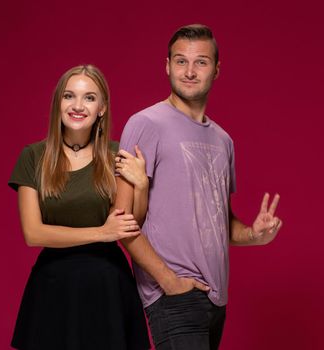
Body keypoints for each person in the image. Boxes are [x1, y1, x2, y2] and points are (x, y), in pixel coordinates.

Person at [115, 24, 283, 350]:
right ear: (167, 65)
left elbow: (219, 222)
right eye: (180, 61)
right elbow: (121, 220)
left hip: (216, 299)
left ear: (216, 70)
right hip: (174, 294)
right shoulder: (145, 124)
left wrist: (254, 234)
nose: (189, 71)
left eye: (201, 62)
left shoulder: (223, 140)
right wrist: (168, 281)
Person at [8, 65, 150, 350]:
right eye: (69, 96)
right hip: (54, 285)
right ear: (58, 103)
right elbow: (33, 233)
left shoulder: (116, 155)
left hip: (108, 285)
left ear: (102, 108)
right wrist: (100, 232)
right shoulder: (34, 156)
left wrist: (142, 187)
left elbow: (127, 225)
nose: (77, 106)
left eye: (88, 98)